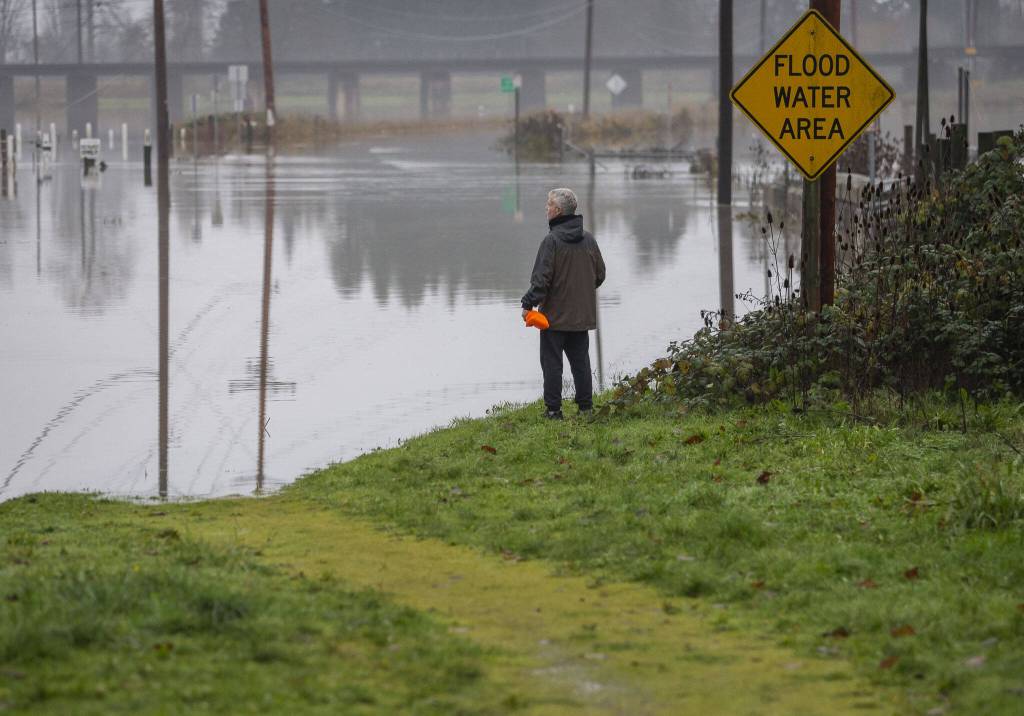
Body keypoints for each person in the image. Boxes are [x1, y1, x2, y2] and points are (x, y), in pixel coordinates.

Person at [521, 188, 606, 420]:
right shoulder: (589, 240)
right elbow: (600, 275)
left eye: (548, 205)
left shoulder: (551, 241)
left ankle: (553, 411)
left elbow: (540, 282)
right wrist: (580, 294)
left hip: (554, 319)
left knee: (552, 365)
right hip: (581, 317)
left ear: (557, 211)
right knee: (581, 363)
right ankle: (586, 408)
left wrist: (527, 304)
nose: (545, 209)